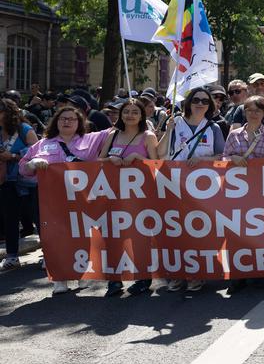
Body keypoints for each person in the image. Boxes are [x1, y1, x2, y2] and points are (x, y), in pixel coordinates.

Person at [19, 106, 107, 294]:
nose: (67, 122)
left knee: (82, 236)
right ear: (56, 122)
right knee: (53, 237)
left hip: (82, 199)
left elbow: (118, 132)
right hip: (50, 200)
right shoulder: (42, 144)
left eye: (71, 119)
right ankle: (60, 277)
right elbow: (23, 168)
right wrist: (31, 164)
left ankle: (82, 273)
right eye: (62, 118)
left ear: (79, 123)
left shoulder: (90, 139)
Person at [157, 87, 225, 292]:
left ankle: (197, 273)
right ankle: (177, 273)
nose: (200, 104)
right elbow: (160, 153)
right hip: (175, 185)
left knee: (198, 231)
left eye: (205, 101)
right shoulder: (175, 123)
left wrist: (203, 160)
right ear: (188, 102)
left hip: (204, 188)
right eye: (196, 100)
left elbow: (221, 156)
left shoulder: (213, 128)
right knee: (176, 230)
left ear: (210, 105)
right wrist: (167, 130)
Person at [97, 98, 158, 296]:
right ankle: (114, 280)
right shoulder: (113, 135)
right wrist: (109, 159)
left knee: (139, 237)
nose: (130, 115)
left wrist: (139, 158)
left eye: (134, 112)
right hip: (113, 195)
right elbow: (99, 160)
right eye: (126, 111)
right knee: (113, 237)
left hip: (140, 197)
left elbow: (157, 165)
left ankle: (143, 277)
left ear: (142, 116)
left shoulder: (148, 136)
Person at [223, 94, 264, 294]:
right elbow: (223, 158)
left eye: (257, 110)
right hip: (239, 194)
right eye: (249, 110)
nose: (253, 114)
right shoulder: (234, 135)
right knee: (239, 233)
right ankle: (239, 274)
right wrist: (233, 158)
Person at [0, 100, 38, 273]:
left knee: (37, 217)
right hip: (6, 182)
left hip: (27, 182)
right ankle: (12, 256)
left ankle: (49, 254)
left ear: (7, 112)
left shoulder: (24, 129)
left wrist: (13, 156)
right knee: (10, 220)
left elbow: (37, 152)